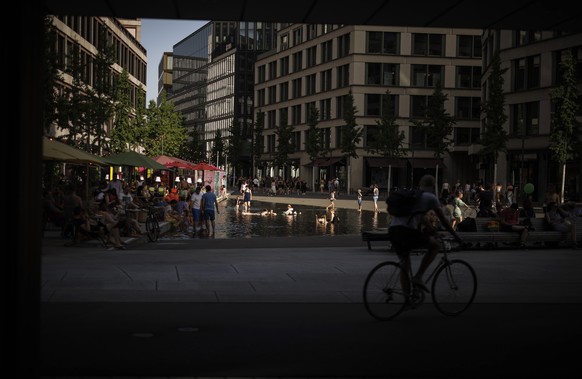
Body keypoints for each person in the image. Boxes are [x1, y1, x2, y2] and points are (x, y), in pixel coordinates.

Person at [388, 174, 462, 294]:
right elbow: (443, 220)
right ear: (433, 187)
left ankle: (407, 300)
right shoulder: (430, 198)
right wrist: (456, 236)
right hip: (407, 231)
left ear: (420, 185)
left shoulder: (413, 195)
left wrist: (432, 230)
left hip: (393, 230)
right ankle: (418, 276)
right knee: (435, 246)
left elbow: (422, 218)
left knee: (405, 265)